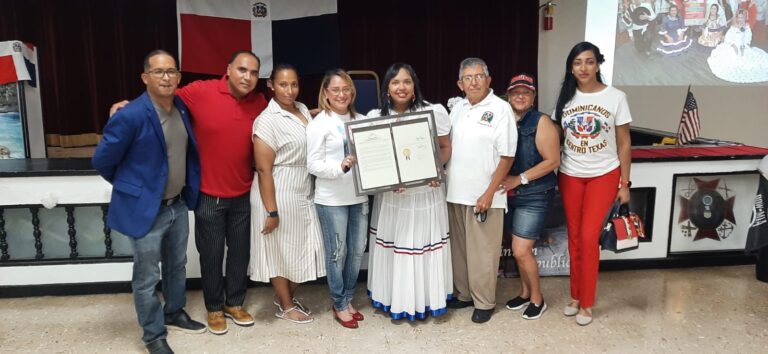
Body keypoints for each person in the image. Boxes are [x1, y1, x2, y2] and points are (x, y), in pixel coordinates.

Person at [110, 51, 267, 335]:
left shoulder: (259, 102)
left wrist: (306, 113)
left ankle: (234, 303)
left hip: (243, 192)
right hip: (209, 194)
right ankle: (215, 308)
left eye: (254, 72)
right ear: (228, 69)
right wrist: (128, 106)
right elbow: (161, 93)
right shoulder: (200, 91)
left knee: (240, 253)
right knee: (211, 254)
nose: (248, 77)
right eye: (242, 69)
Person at [92, 50, 205, 354]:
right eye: (159, 72)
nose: (166, 77)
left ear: (179, 77)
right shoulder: (130, 115)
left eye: (171, 71)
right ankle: (153, 336)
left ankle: (174, 312)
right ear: (145, 77)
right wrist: (133, 188)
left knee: (176, 266)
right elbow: (102, 161)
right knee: (146, 277)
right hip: (147, 211)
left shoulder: (181, 107)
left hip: (178, 205)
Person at [366, 63, 453, 321]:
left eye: (406, 81)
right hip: (394, 197)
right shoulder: (375, 116)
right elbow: (374, 161)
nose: (401, 87)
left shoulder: (433, 111)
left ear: (414, 86)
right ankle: (395, 299)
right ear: (387, 88)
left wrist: (437, 169)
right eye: (395, 82)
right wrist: (384, 179)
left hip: (426, 193)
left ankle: (426, 300)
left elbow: (445, 147)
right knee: (396, 246)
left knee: (423, 245)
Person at [553, 42, 632, 326]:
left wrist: (625, 182)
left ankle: (587, 303)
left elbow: (624, 143)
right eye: (577, 63)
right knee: (574, 237)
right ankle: (575, 296)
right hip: (570, 174)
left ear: (598, 64)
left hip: (604, 174)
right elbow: (557, 139)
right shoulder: (565, 99)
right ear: (571, 67)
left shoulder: (615, 97)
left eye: (588, 62)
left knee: (588, 237)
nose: (583, 68)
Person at [250, 63, 325, 324]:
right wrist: (271, 211)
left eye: (294, 84)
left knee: (307, 248)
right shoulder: (266, 120)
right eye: (283, 84)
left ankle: (285, 297)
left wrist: (322, 112)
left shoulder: (302, 109)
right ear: (271, 85)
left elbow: (306, 128)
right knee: (280, 251)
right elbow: (263, 169)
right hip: (277, 189)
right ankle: (285, 304)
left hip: (303, 188)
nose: (289, 90)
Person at [445, 57, 516, 324]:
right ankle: (464, 294)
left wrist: (488, 193)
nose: (473, 82)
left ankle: (484, 301)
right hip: (456, 192)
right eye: (468, 78)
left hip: (485, 195)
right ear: (460, 84)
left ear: (489, 80)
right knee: (460, 250)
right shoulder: (458, 108)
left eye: (479, 76)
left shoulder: (500, 109)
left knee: (483, 252)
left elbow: (507, 156)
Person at [306, 69, 368, 329]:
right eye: (335, 90)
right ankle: (339, 303)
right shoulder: (319, 124)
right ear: (326, 94)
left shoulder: (362, 121)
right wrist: (339, 168)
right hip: (332, 199)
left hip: (359, 197)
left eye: (346, 89)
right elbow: (312, 164)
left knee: (356, 252)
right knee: (337, 253)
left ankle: (349, 298)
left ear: (352, 91)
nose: (341, 94)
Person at [500, 74, 560, 321]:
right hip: (509, 196)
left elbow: (552, 161)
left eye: (526, 92)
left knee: (521, 250)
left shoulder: (541, 121)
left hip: (534, 195)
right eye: (516, 93)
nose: (520, 96)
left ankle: (538, 298)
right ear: (508, 96)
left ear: (533, 96)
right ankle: (524, 293)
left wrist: (520, 179)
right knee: (517, 251)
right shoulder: (503, 120)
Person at [707, 10, 768, 83]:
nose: (740, 19)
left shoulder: (747, 27)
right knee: (733, 55)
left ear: (745, 18)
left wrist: (746, 44)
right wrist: (734, 46)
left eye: (742, 17)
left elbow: (748, 37)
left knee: (749, 55)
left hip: (743, 45)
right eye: (739, 17)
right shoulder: (734, 27)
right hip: (733, 45)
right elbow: (728, 38)